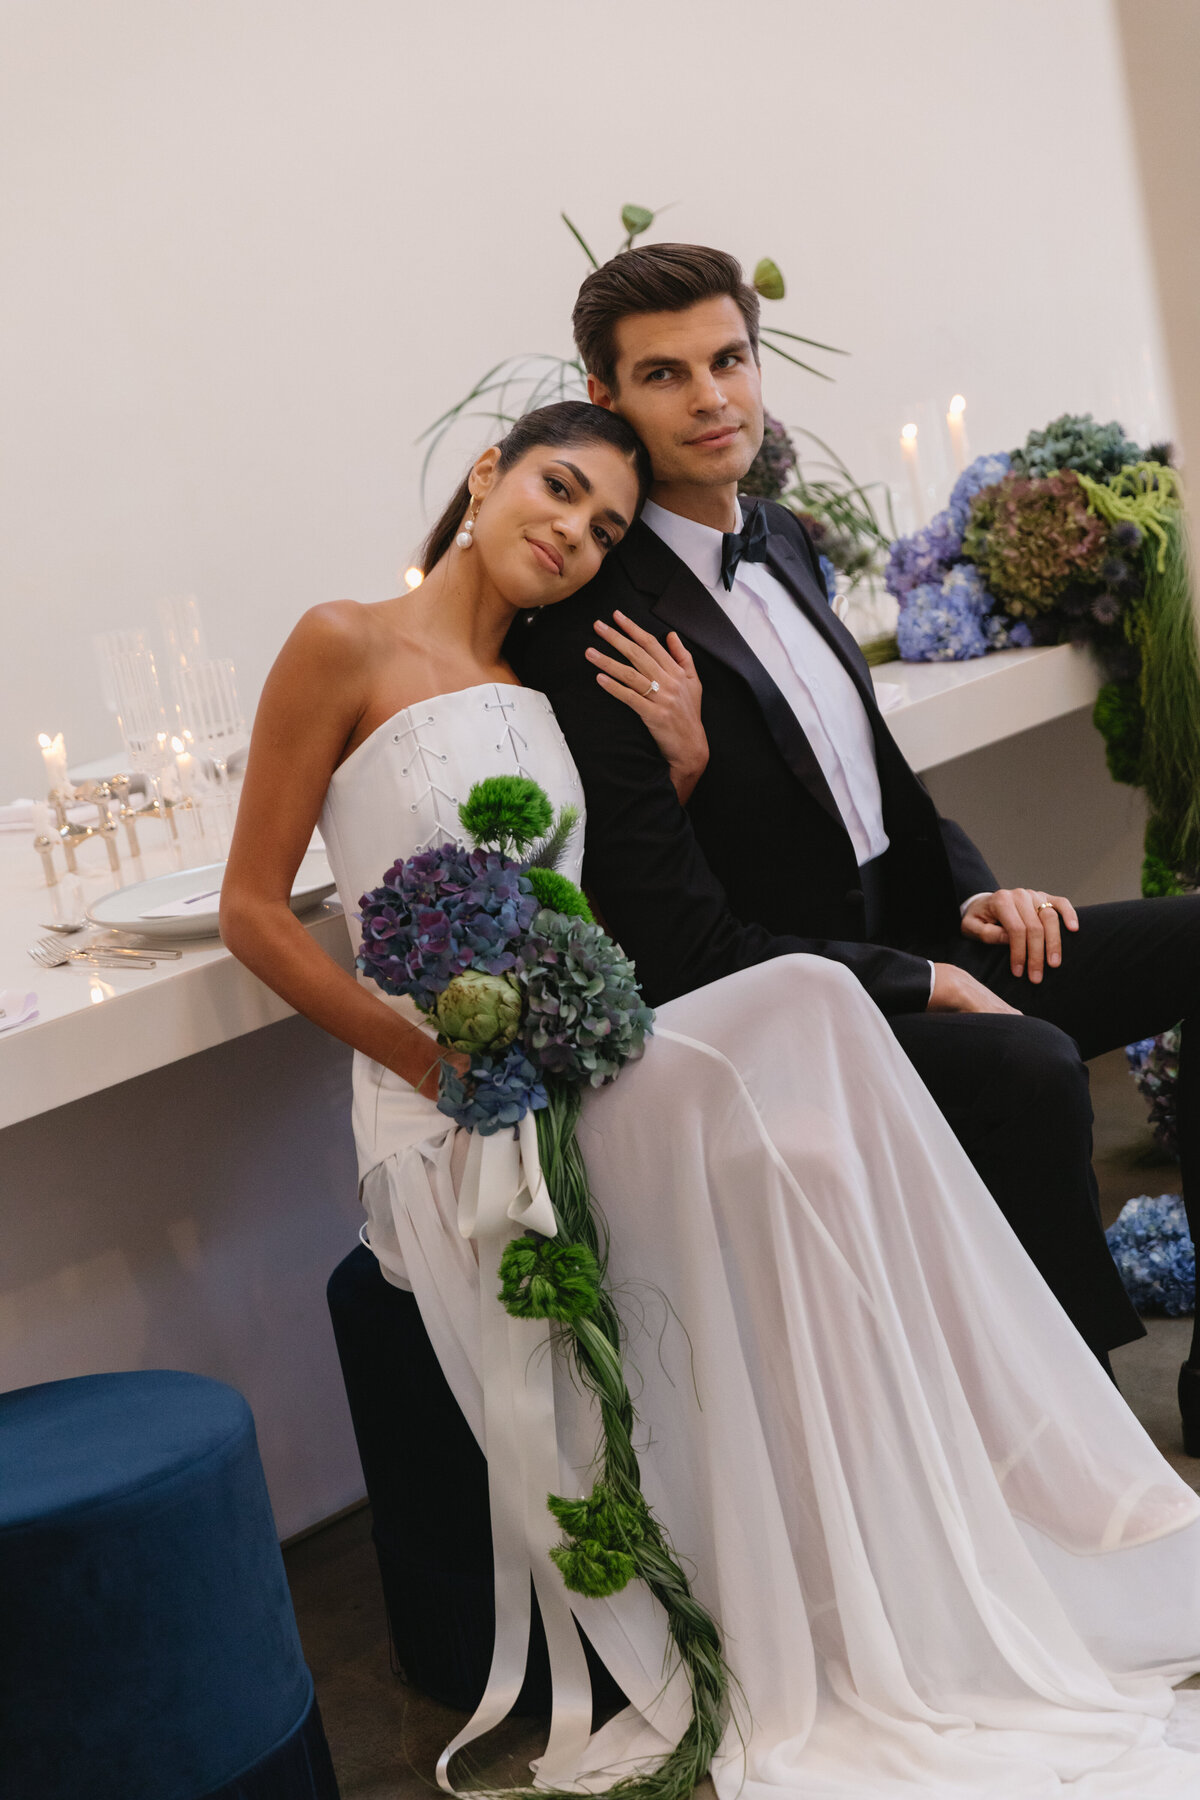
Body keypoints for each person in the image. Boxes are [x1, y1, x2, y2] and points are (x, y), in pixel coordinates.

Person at [222, 400, 1200, 1797]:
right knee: (803, 1014)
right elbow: (254, 914)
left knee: (809, 1026)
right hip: (442, 1109)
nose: (574, 534)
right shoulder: (342, 641)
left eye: (604, 526)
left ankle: (945, 1504)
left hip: (572, 1062)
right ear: (489, 473)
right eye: (560, 490)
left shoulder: (545, 676)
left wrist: (679, 767)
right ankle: (941, 1486)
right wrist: (433, 1062)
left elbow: (602, 892)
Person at [506, 243, 1200, 1409]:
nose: (712, 396)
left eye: (729, 360)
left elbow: (877, 781)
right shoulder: (596, 631)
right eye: (666, 374)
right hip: (792, 1001)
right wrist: (923, 982)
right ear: (606, 395)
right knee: (1030, 1065)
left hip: (926, 935)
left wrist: (980, 893)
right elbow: (676, 938)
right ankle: (1068, 1421)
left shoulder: (784, 538)